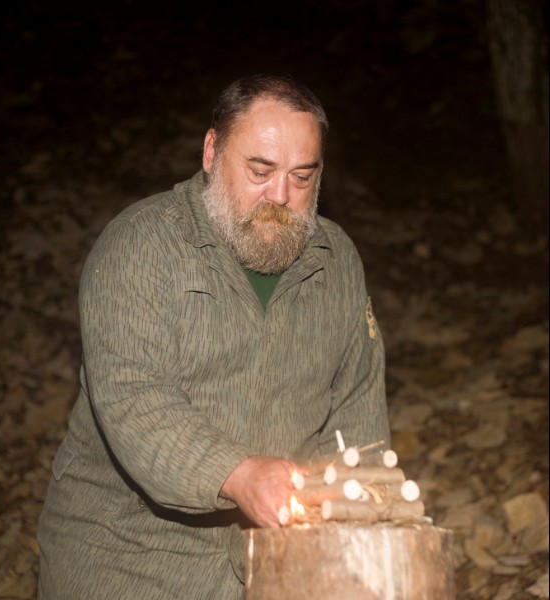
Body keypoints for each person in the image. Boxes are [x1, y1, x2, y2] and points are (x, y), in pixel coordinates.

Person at [37, 73, 390, 599]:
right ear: (211, 151)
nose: (280, 196)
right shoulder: (141, 246)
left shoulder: (335, 262)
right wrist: (237, 475)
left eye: (302, 176)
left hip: (277, 559)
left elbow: (357, 408)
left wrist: (359, 518)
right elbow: (135, 400)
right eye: (260, 170)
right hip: (128, 556)